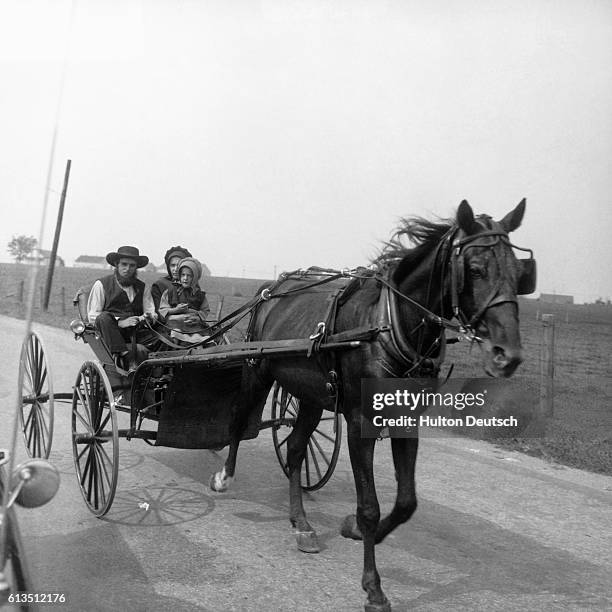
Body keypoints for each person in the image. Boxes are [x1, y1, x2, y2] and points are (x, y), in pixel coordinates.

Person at [87, 245, 158, 372]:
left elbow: (151, 311)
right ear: (116, 265)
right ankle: (125, 357)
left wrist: (146, 317)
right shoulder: (102, 285)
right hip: (111, 332)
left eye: (132, 266)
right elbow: (92, 315)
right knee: (103, 317)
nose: (127, 269)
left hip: (136, 331)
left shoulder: (143, 287)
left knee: (166, 338)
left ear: (136, 267)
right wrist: (119, 322)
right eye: (124, 264)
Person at [159, 257, 211, 344]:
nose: (185, 278)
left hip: (194, 327)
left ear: (194, 277)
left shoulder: (200, 295)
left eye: (189, 276)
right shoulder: (170, 291)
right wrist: (176, 310)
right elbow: (162, 310)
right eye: (183, 275)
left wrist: (197, 318)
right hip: (174, 325)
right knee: (174, 338)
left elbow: (205, 311)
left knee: (199, 341)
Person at [151, 245, 192, 315]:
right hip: (167, 324)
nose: (175, 269)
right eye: (172, 265)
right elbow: (157, 313)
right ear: (168, 266)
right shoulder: (159, 285)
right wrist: (175, 311)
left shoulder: (192, 285)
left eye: (179, 265)